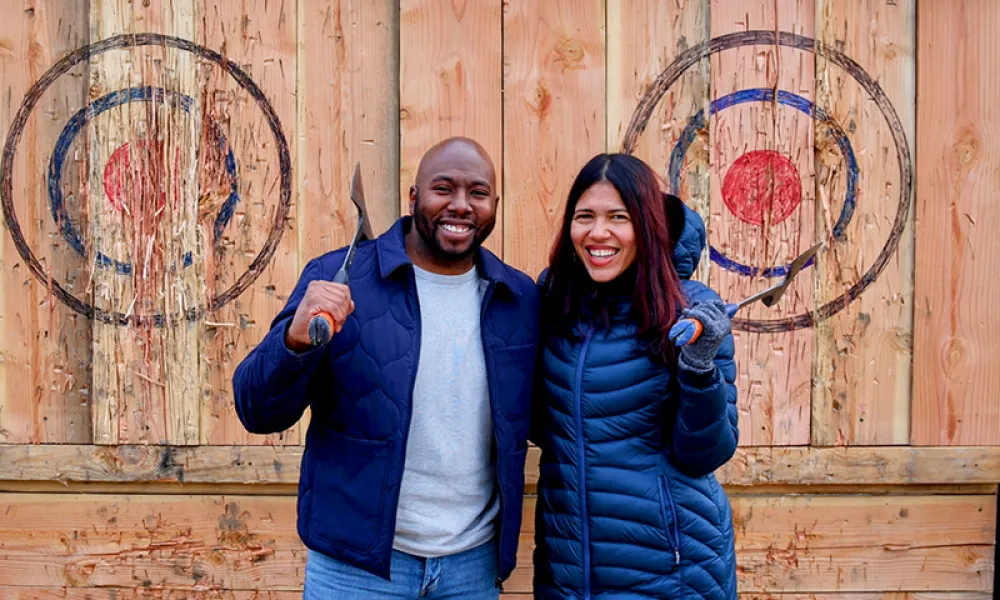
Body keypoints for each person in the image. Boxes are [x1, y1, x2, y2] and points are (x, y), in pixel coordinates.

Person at [232, 137, 540, 599]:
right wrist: (293, 341)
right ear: (413, 198)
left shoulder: (517, 298)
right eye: (443, 189)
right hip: (356, 569)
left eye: (477, 193)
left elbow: (546, 416)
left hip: (471, 568)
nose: (460, 205)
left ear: (494, 204)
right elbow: (258, 411)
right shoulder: (340, 278)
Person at [531, 153, 739, 599]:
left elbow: (706, 453)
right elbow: (536, 423)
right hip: (570, 570)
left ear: (646, 226)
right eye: (584, 216)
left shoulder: (690, 311)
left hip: (670, 570)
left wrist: (699, 368)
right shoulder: (553, 304)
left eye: (618, 218)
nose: (598, 233)